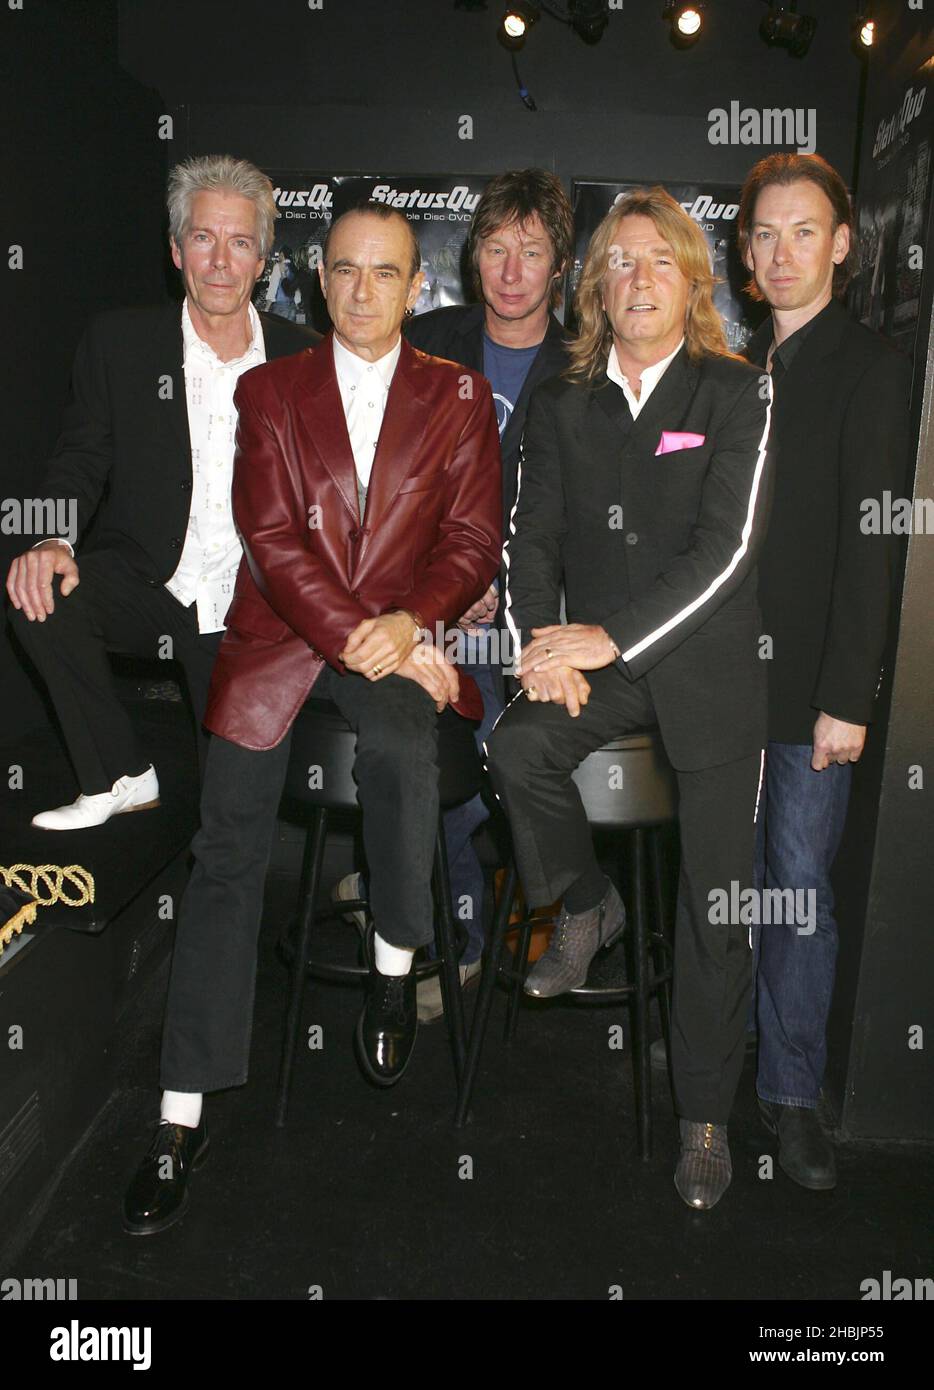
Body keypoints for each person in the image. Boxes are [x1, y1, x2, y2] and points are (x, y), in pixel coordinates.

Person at [122, 204, 501, 1236]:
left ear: (415, 286)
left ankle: (393, 965)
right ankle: (179, 1111)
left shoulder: (459, 396)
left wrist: (408, 622)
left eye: (387, 272)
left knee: (398, 743)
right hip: (283, 636)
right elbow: (272, 536)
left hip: (394, 633)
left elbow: (472, 536)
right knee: (228, 846)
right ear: (320, 281)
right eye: (347, 271)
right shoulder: (270, 390)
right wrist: (360, 632)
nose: (366, 288)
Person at [485, 187, 774, 1211]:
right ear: (595, 288)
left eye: (661, 261)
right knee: (514, 749)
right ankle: (589, 902)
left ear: (692, 281)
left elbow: (725, 552)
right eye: (619, 262)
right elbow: (529, 544)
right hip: (594, 673)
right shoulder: (564, 400)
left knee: (715, 906)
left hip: (707, 681)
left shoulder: (736, 392)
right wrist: (539, 654)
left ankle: (702, 1115)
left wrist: (610, 636)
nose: (639, 278)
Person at [6, 155, 317, 829]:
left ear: (263, 258)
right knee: (39, 592)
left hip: (251, 609)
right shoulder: (120, 343)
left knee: (227, 825)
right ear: (176, 249)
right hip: (150, 581)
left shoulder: (305, 361)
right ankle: (119, 774)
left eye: (239, 243)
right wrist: (50, 539)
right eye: (203, 238)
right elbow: (79, 460)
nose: (219, 261)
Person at [335, 170, 573, 1023]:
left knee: (483, 763)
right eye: (497, 249)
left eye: (533, 251)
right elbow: (370, 480)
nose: (513, 270)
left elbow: (592, 518)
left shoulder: (584, 364)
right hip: (425, 606)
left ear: (558, 265)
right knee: (421, 740)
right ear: (473, 261)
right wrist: (441, 592)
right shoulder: (426, 336)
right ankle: (441, 909)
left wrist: (501, 592)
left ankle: (430, 883)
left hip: (527, 618)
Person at [738, 153, 912, 1191]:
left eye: (804, 231)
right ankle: (730, 1060)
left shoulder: (868, 366)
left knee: (797, 888)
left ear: (842, 245)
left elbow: (874, 544)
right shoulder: (732, 367)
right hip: (722, 685)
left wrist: (848, 698)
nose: (781, 252)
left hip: (809, 695)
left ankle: (792, 1095)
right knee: (733, 888)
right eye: (764, 234)